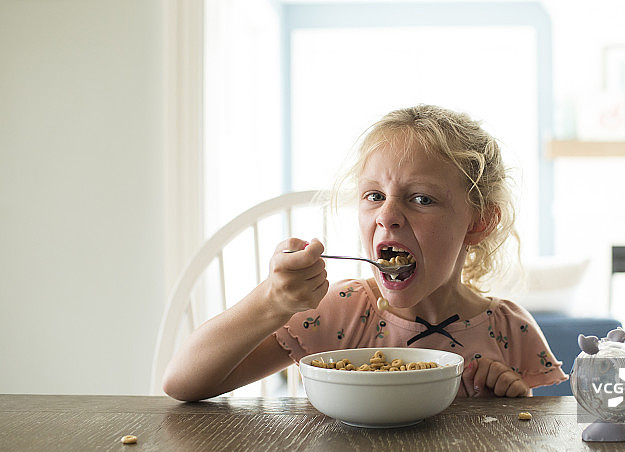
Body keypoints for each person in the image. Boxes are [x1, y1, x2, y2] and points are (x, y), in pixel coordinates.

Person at [162, 104, 567, 402]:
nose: (387, 216)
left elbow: (537, 440)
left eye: (421, 199)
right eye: (374, 196)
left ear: (478, 221)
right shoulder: (341, 310)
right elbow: (183, 383)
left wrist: (510, 400)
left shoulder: (509, 330)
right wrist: (270, 301)